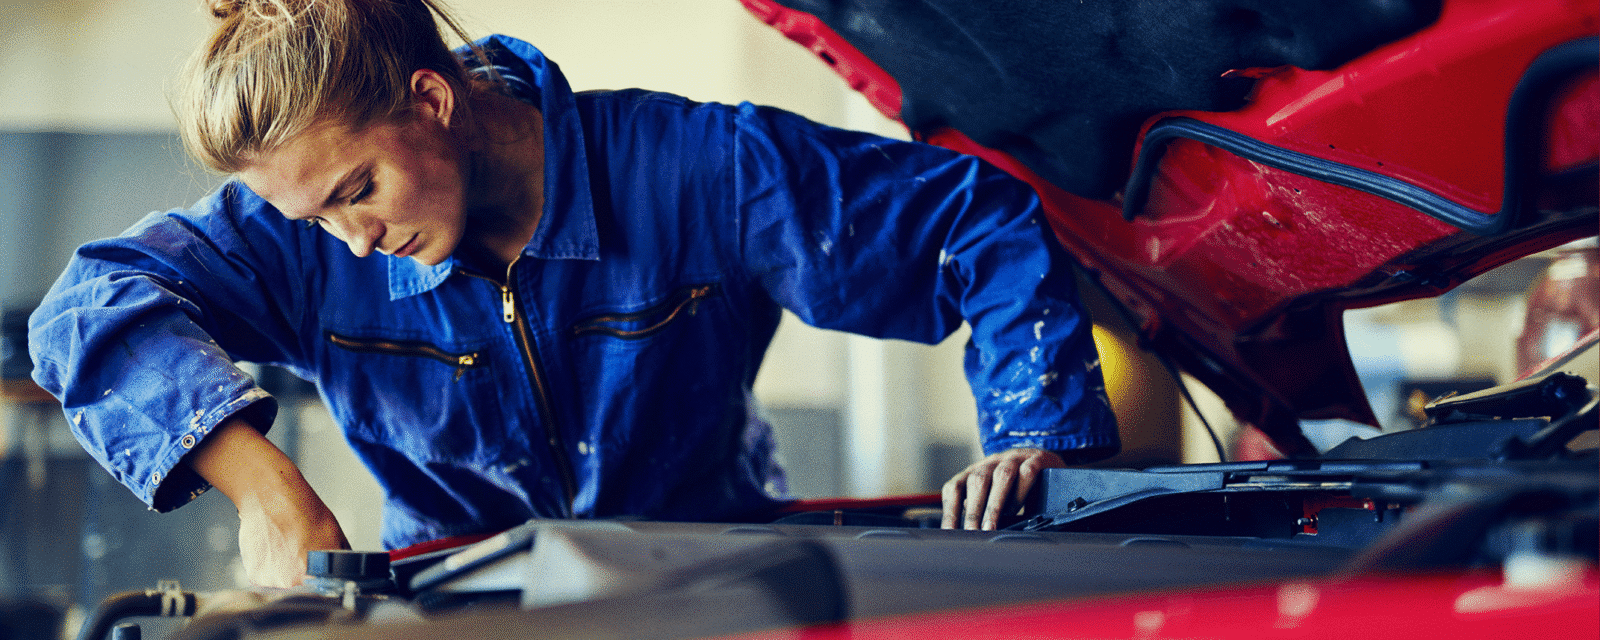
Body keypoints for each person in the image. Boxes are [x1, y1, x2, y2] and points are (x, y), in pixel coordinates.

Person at [28, 0, 1118, 588]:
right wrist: (271, 493)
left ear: (430, 98)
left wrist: (1039, 430)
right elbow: (86, 307)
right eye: (316, 219)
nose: (353, 242)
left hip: (716, 593)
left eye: (358, 189)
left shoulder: (703, 170)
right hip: (454, 608)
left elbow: (972, 216)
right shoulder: (306, 238)